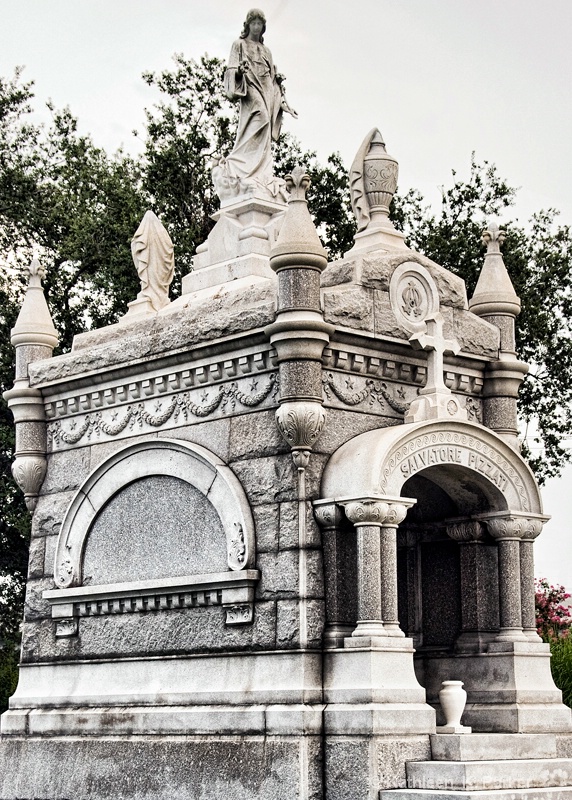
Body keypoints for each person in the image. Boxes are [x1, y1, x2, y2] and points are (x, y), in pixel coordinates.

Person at [223, 8, 297, 190]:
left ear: (263, 27)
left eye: (259, 24)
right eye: (253, 23)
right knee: (261, 117)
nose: (256, 27)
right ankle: (240, 166)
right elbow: (230, 70)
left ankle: (260, 173)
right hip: (250, 87)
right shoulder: (239, 44)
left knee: (265, 130)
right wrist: (239, 71)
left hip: (266, 89)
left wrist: (282, 98)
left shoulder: (266, 50)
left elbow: (272, 79)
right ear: (247, 25)